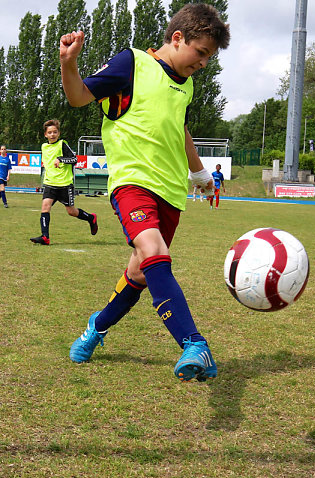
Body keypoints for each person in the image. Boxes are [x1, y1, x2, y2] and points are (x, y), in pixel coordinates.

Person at [60, 3, 230, 382]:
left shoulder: (186, 85)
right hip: (133, 184)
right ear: (177, 37)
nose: (202, 63)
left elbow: (180, 130)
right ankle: (193, 343)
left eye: (209, 57)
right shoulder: (131, 63)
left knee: (139, 274)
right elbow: (78, 97)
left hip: (172, 194)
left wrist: (200, 173)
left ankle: (96, 328)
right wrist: (68, 63)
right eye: (200, 53)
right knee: (155, 253)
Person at [30, 119, 98, 245]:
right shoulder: (44, 147)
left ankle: (91, 218)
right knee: (45, 207)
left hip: (64, 185)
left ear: (59, 133)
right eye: (49, 132)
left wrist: (60, 159)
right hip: (50, 183)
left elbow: (74, 159)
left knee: (71, 211)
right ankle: (45, 237)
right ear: (45, 134)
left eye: (55, 132)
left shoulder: (62, 144)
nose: (52, 134)